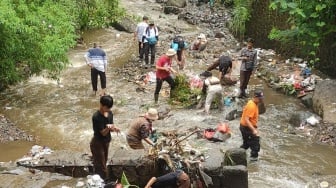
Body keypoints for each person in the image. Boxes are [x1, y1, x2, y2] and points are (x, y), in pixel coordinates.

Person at [90, 95, 121, 180]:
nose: (108, 110)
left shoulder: (110, 113)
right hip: (98, 143)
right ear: (101, 105)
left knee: (104, 161)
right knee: (101, 166)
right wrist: (108, 128)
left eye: (109, 108)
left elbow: (111, 126)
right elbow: (103, 133)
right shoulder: (96, 117)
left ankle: (101, 179)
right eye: (107, 108)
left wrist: (115, 128)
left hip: (106, 141)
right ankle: (103, 181)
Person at [239, 90, 264, 161]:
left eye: (262, 98)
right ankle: (254, 162)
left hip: (243, 127)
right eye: (260, 98)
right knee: (255, 145)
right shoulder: (252, 106)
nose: (261, 100)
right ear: (255, 97)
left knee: (246, 144)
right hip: (247, 128)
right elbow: (247, 120)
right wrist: (253, 130)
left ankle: (238, 154)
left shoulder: (252, 102)